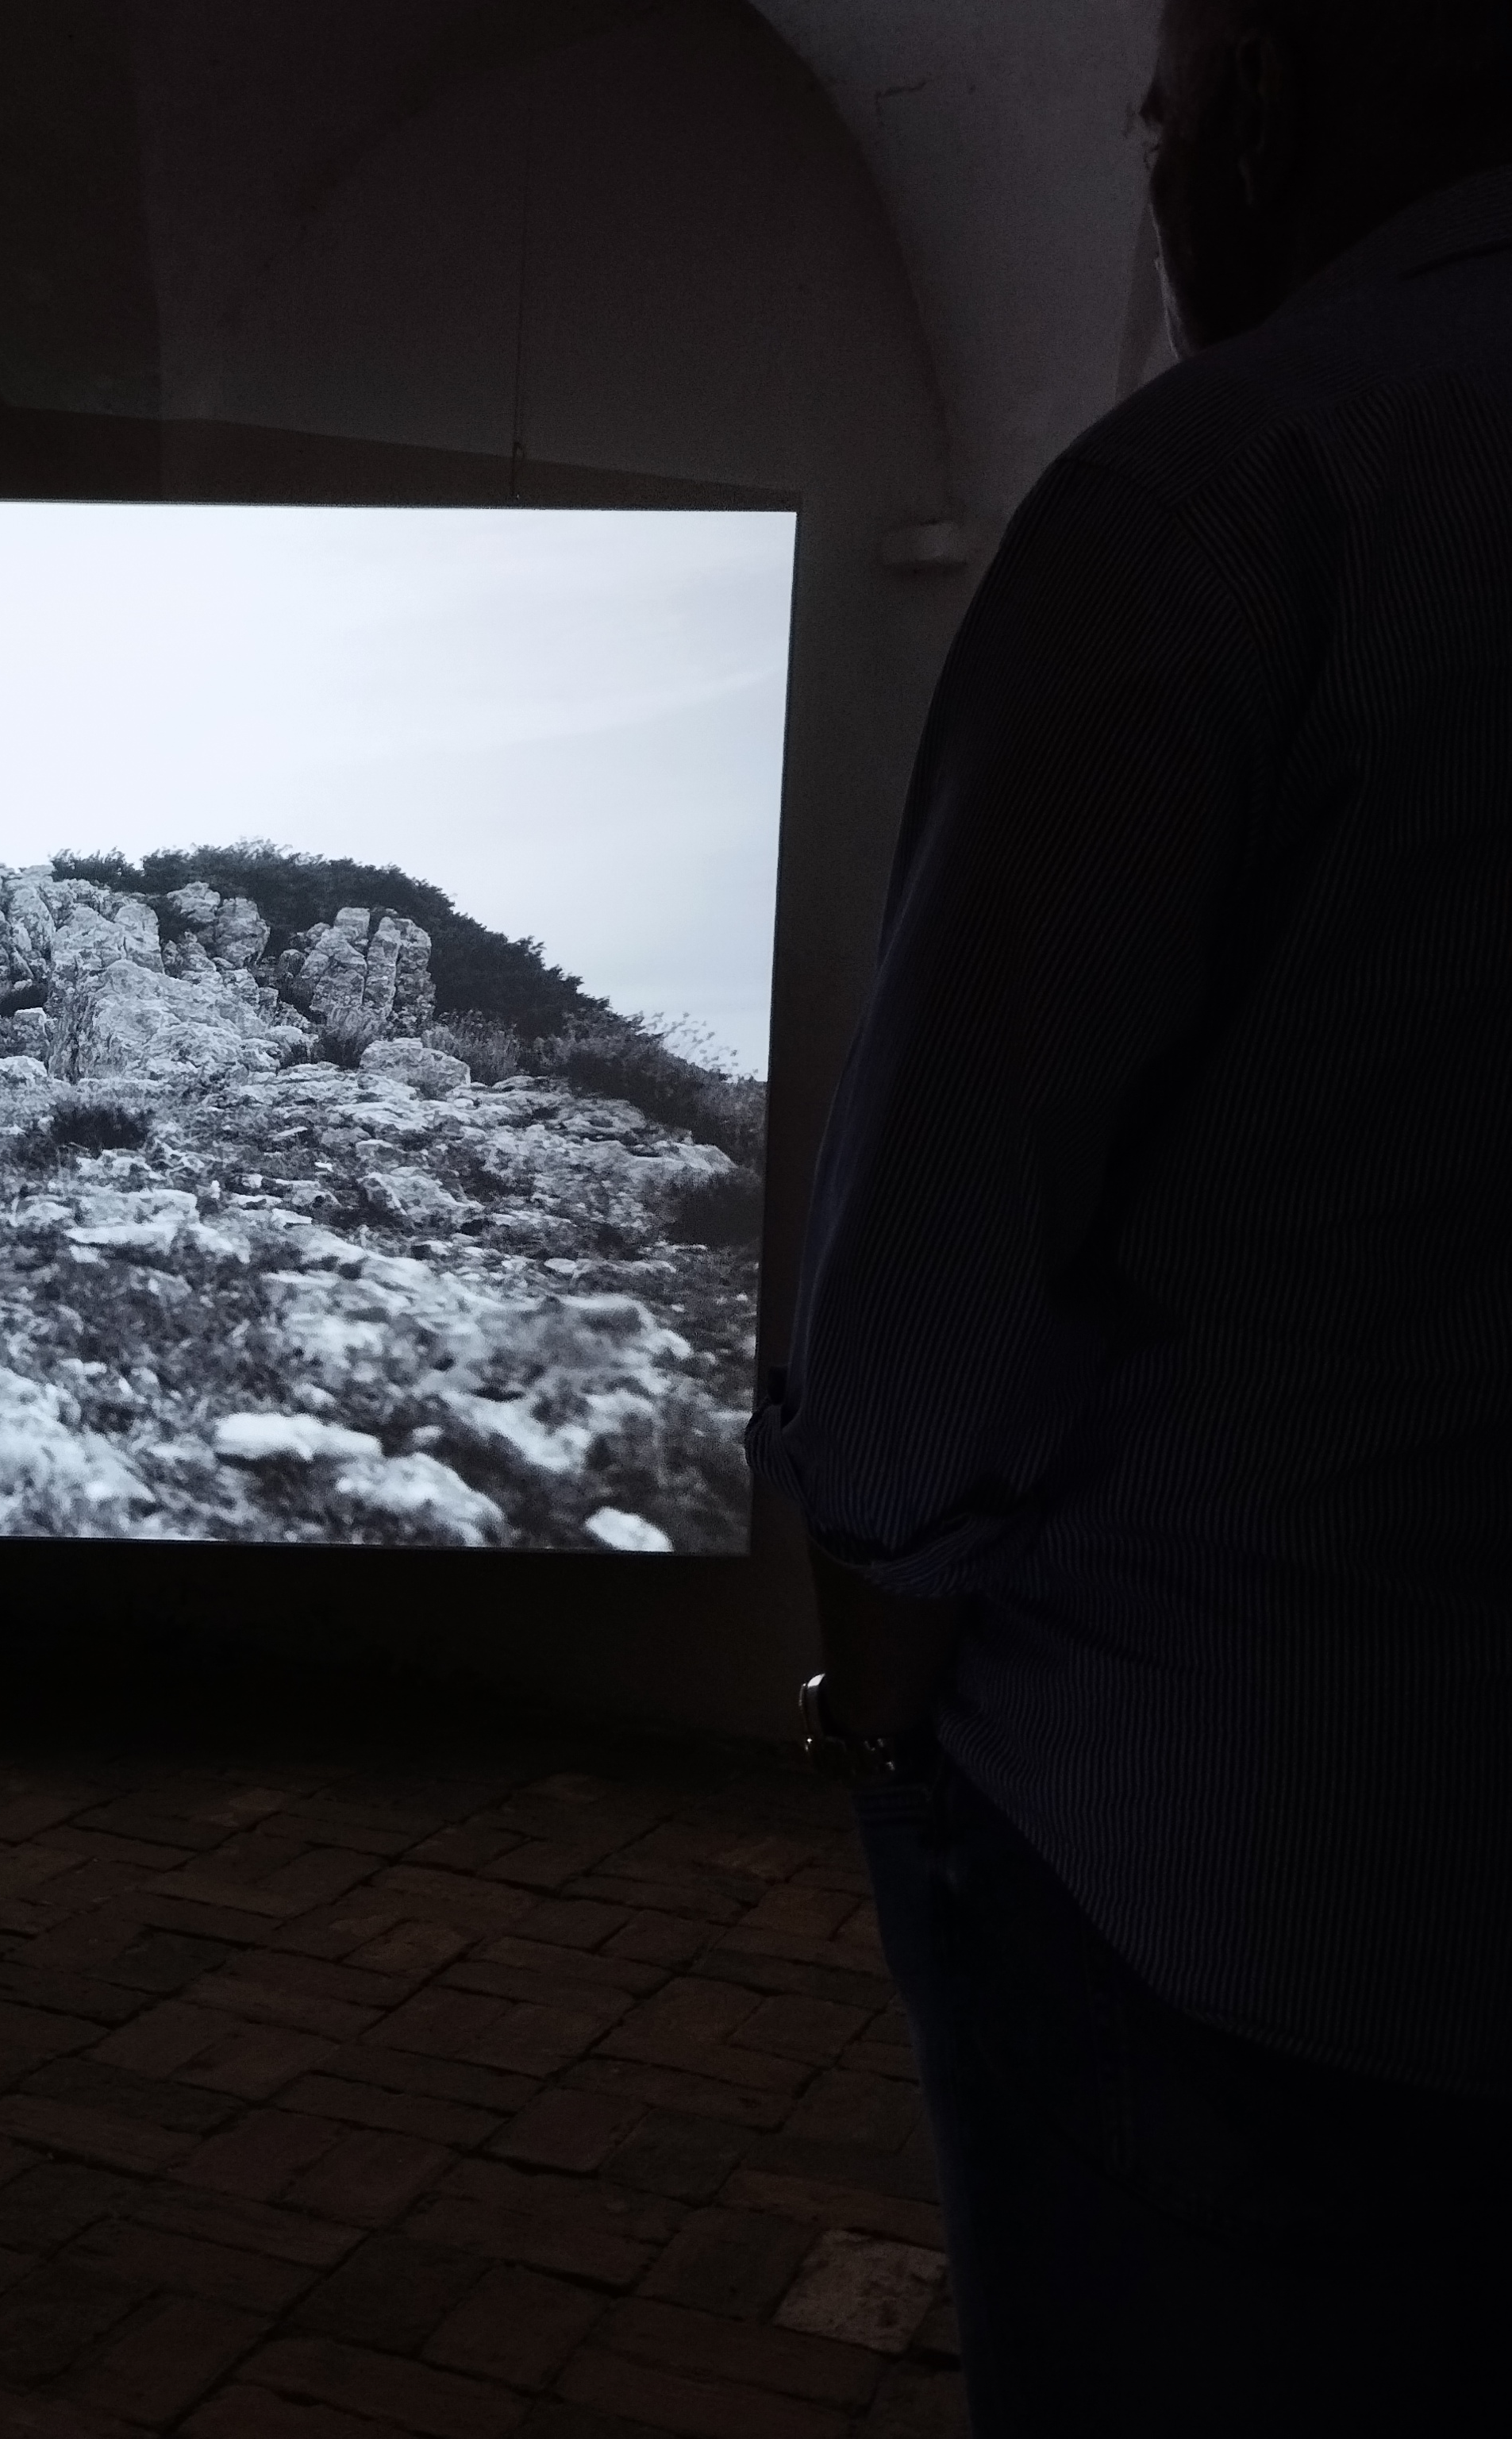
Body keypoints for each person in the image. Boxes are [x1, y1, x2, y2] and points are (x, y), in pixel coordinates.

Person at [747, 1, 1512, 2426]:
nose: (1154, 167)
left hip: (1228, 1894)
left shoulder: (1235, 489)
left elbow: (924, 1308)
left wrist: (875, 1696)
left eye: (1156, 102)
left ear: (1277, 95)